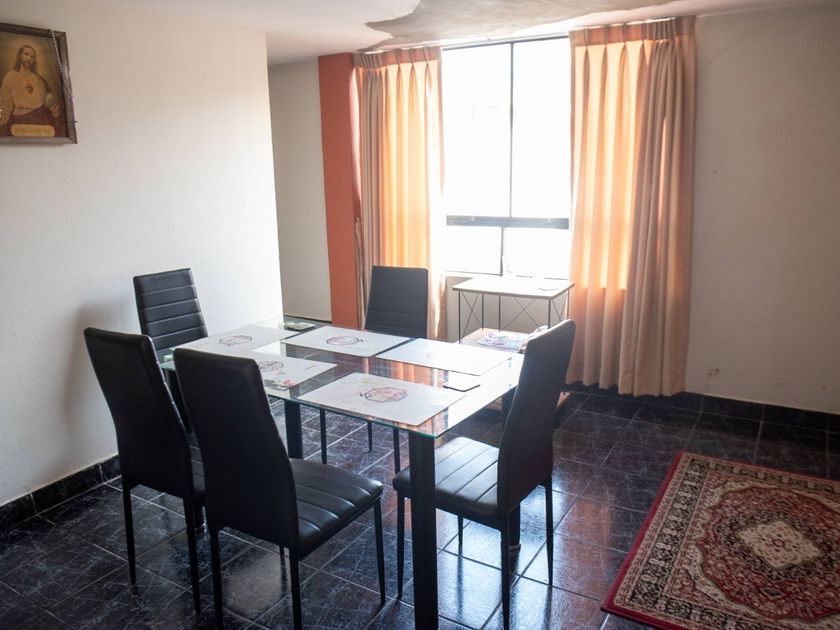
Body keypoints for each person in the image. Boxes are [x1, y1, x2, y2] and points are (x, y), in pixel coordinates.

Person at [0, 44, 64, 137]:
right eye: (26, 54)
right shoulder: (10, 77)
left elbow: (49, 102)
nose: (29, 58)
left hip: (40, 119)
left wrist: (55, 112)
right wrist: (3, 116)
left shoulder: (40, 80)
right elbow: (5, 102)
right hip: (19, 120)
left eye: (32, 57)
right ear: (20, 55)